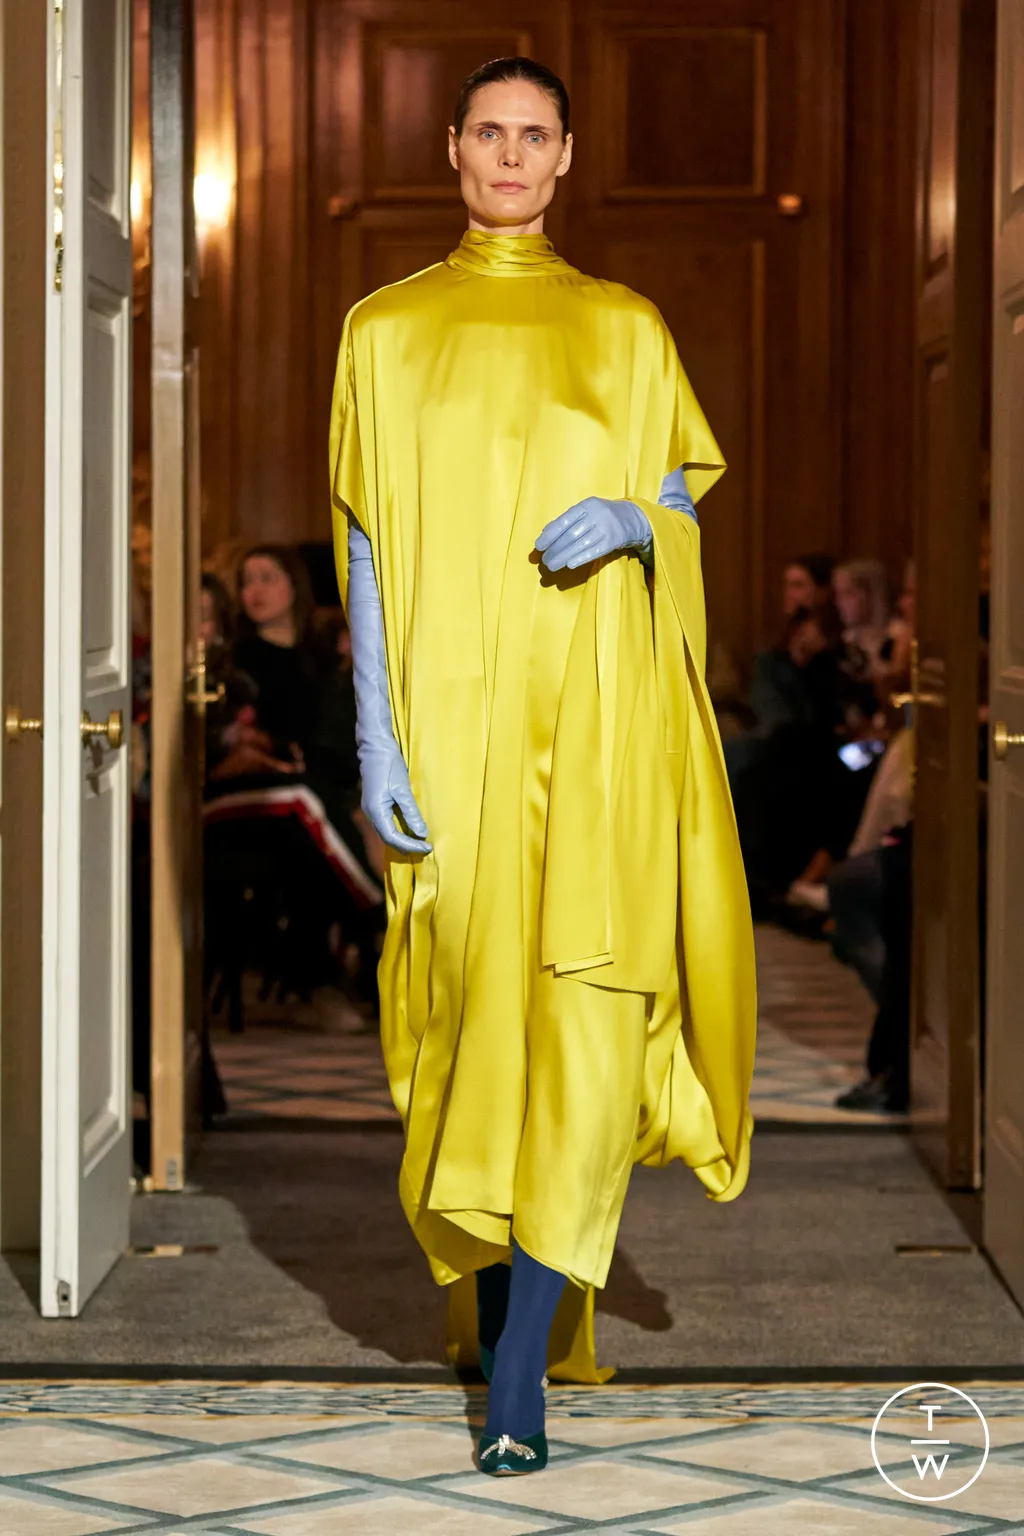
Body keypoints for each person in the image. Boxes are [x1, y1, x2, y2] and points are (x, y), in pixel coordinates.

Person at [329, 56, 756, 1477]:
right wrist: (376, 738)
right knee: (466, 1025)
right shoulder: (384, 329)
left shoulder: (626, 327)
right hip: (449, 733)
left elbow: (680, 498)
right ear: (451, 148)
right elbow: (366, 545)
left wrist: (638, 521)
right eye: (489, 133)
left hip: (595, 728)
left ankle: (519, 1371)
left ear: (567, 157)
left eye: (536, 136)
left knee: (582, 1017)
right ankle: (505, 1306)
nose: (511, 155)